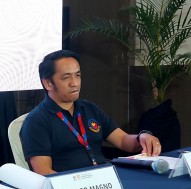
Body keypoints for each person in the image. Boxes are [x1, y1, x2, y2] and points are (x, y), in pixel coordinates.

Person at [20, 50, 161, 175]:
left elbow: (123, 140)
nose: (75, 83)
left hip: (104, 182)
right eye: (66, 77)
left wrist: (142, 137)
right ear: (48, 83)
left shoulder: (89, 109)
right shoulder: (36, 121)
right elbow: (44, 172)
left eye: (78, 75)